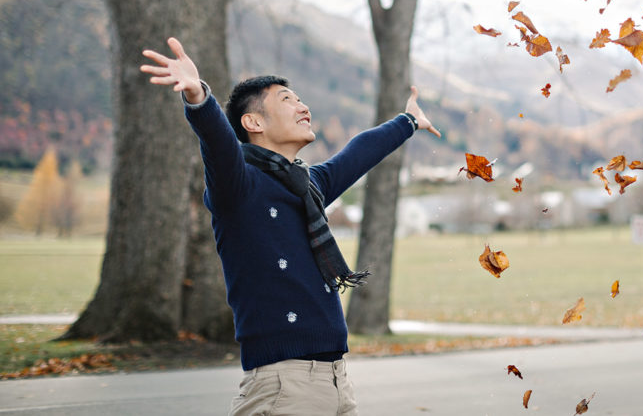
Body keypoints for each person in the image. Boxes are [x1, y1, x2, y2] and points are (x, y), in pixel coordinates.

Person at [140, 37, 440, 416]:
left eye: (300, 99)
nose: (303, 105)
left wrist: (408, 121)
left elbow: (357, 153)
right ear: (253, 123)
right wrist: (199, 96)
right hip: (285, 386)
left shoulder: (308, 186)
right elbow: (217, 142)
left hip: (336, 381)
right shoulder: (239, 185)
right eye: (287, 99)